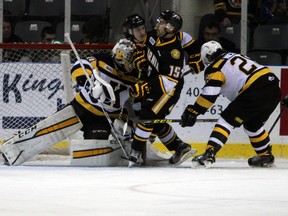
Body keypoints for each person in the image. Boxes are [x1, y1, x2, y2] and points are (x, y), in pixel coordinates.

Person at [1, 39, 139, 165]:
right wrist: (87, 82)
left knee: (94, 146)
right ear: (120, 57)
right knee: (49, 129)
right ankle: (11, 151)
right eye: (130, 58)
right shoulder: (102, 59)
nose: (132, 62)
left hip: (104, 118)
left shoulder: (136, 74)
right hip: (80, 108)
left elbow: (136, 97)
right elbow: (79, 65)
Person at [180, 40, 281, 168]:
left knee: (225, 121)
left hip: (254, 90)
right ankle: (265, 155)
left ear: (207, 57)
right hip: (274, 89)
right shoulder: (235, 55)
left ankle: (209, 153)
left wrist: (193, 111)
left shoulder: (216, 67)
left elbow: (210, 94)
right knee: (252, 125)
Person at [127, 10, 197, 167]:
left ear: (170, 28)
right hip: (157, 83)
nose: (157, 24)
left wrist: (146, 86)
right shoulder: (154, 35)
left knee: (147, 116)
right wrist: (139, 54)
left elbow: (170, 81)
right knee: (157, 123)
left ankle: (135, 153)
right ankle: (180, 147)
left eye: (161, 22)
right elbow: (144, 45)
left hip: (168, 90)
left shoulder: (174, 53)